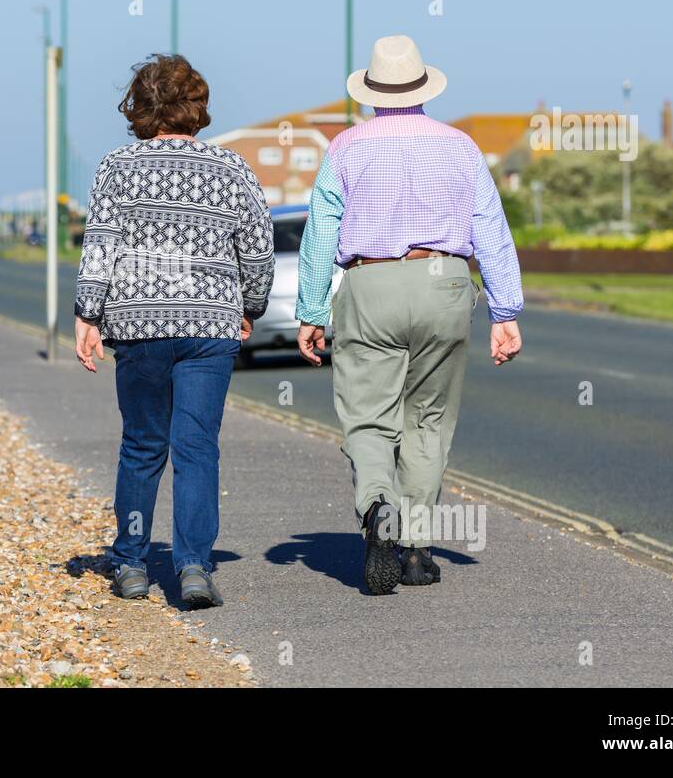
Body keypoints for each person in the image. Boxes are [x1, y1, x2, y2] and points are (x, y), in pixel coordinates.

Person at [295, 35, 524, 595]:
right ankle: (418, 551)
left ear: (371, 93)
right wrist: (505, 310)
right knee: (428, 420)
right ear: (423, 89)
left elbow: (322, 232)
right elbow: (489, 228)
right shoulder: (460, 146)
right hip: (442, 280)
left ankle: (378, 509)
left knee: (369, 416)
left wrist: (310, 309)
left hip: (371, 281)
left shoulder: (346, 147)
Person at [74, 54, 275, 609]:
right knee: (196, 447)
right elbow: (257, 250)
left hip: (138, 324)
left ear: (140, 107)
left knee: (142, 446)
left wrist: (88, 314)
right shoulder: (231, 168)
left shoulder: (116, 167)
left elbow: (100, 248)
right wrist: (249, 305)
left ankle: (133, 562)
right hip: (209, 324)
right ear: (197, 107)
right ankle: (192, 566)